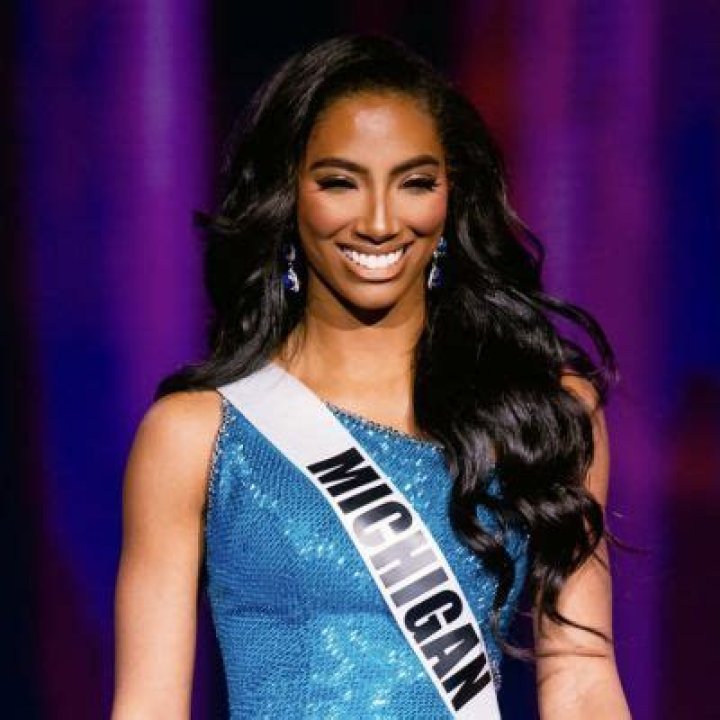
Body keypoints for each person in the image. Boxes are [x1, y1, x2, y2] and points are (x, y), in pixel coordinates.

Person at [111, 34, 632, 719]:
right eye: (340, 182)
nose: (381, 222)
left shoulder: (544, 411)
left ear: (451, 197)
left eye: (415, 183)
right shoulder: (196, 434)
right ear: (288, 194)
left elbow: (583, 678)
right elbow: (148, 704)